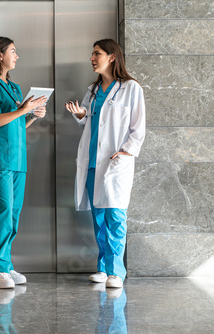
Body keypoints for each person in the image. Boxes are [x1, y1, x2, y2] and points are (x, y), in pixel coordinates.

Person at [65, 39, 145, 288]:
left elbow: (138, 128)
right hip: (92, 163)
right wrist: (81, 116)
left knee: (116, 216)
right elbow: (91, 122)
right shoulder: (92, 90)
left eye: (96, 54)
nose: (92, 58)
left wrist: (125, 152)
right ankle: (103, 268)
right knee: (98, 217)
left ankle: (116, 272)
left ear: (112, 57)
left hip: (115, 162)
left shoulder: (131, 88)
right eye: (92, 54)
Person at [0, 36, 47, 289]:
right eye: (13, 51)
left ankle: (6, 264)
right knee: (3, 211)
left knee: (13, 214)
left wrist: (32, 116)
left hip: (17, 159)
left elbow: (16, 125)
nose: (17, 56)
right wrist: (23, 110)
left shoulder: (14, 89)